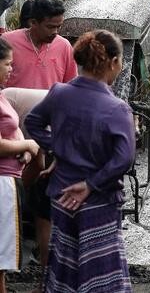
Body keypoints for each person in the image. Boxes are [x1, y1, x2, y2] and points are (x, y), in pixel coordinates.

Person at [26, 30, 135, 293]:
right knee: (102, 273)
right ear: (113, 62)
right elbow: (125, 158)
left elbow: (33, 122)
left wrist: (58, 149)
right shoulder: (117, 108)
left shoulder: (59, 93)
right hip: (98, 201)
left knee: (64, 267)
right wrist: (91, 184)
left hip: (62, 197)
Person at [1, 0, 77, 289]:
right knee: (14, 197)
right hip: (12, 130)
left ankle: (47, 271)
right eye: (50, 26)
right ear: (32, 24)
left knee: (44, 201)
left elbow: (70, 90)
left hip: (47, 134)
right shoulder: (8, 44)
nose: (56, 32)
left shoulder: (63, 47)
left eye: (59, 26)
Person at [0, 39, 40, 293]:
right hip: (2, 182)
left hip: (9, 177)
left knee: (3, 250)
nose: (10, 70)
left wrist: (23, 148)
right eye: (7, 64)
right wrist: (26, 145)